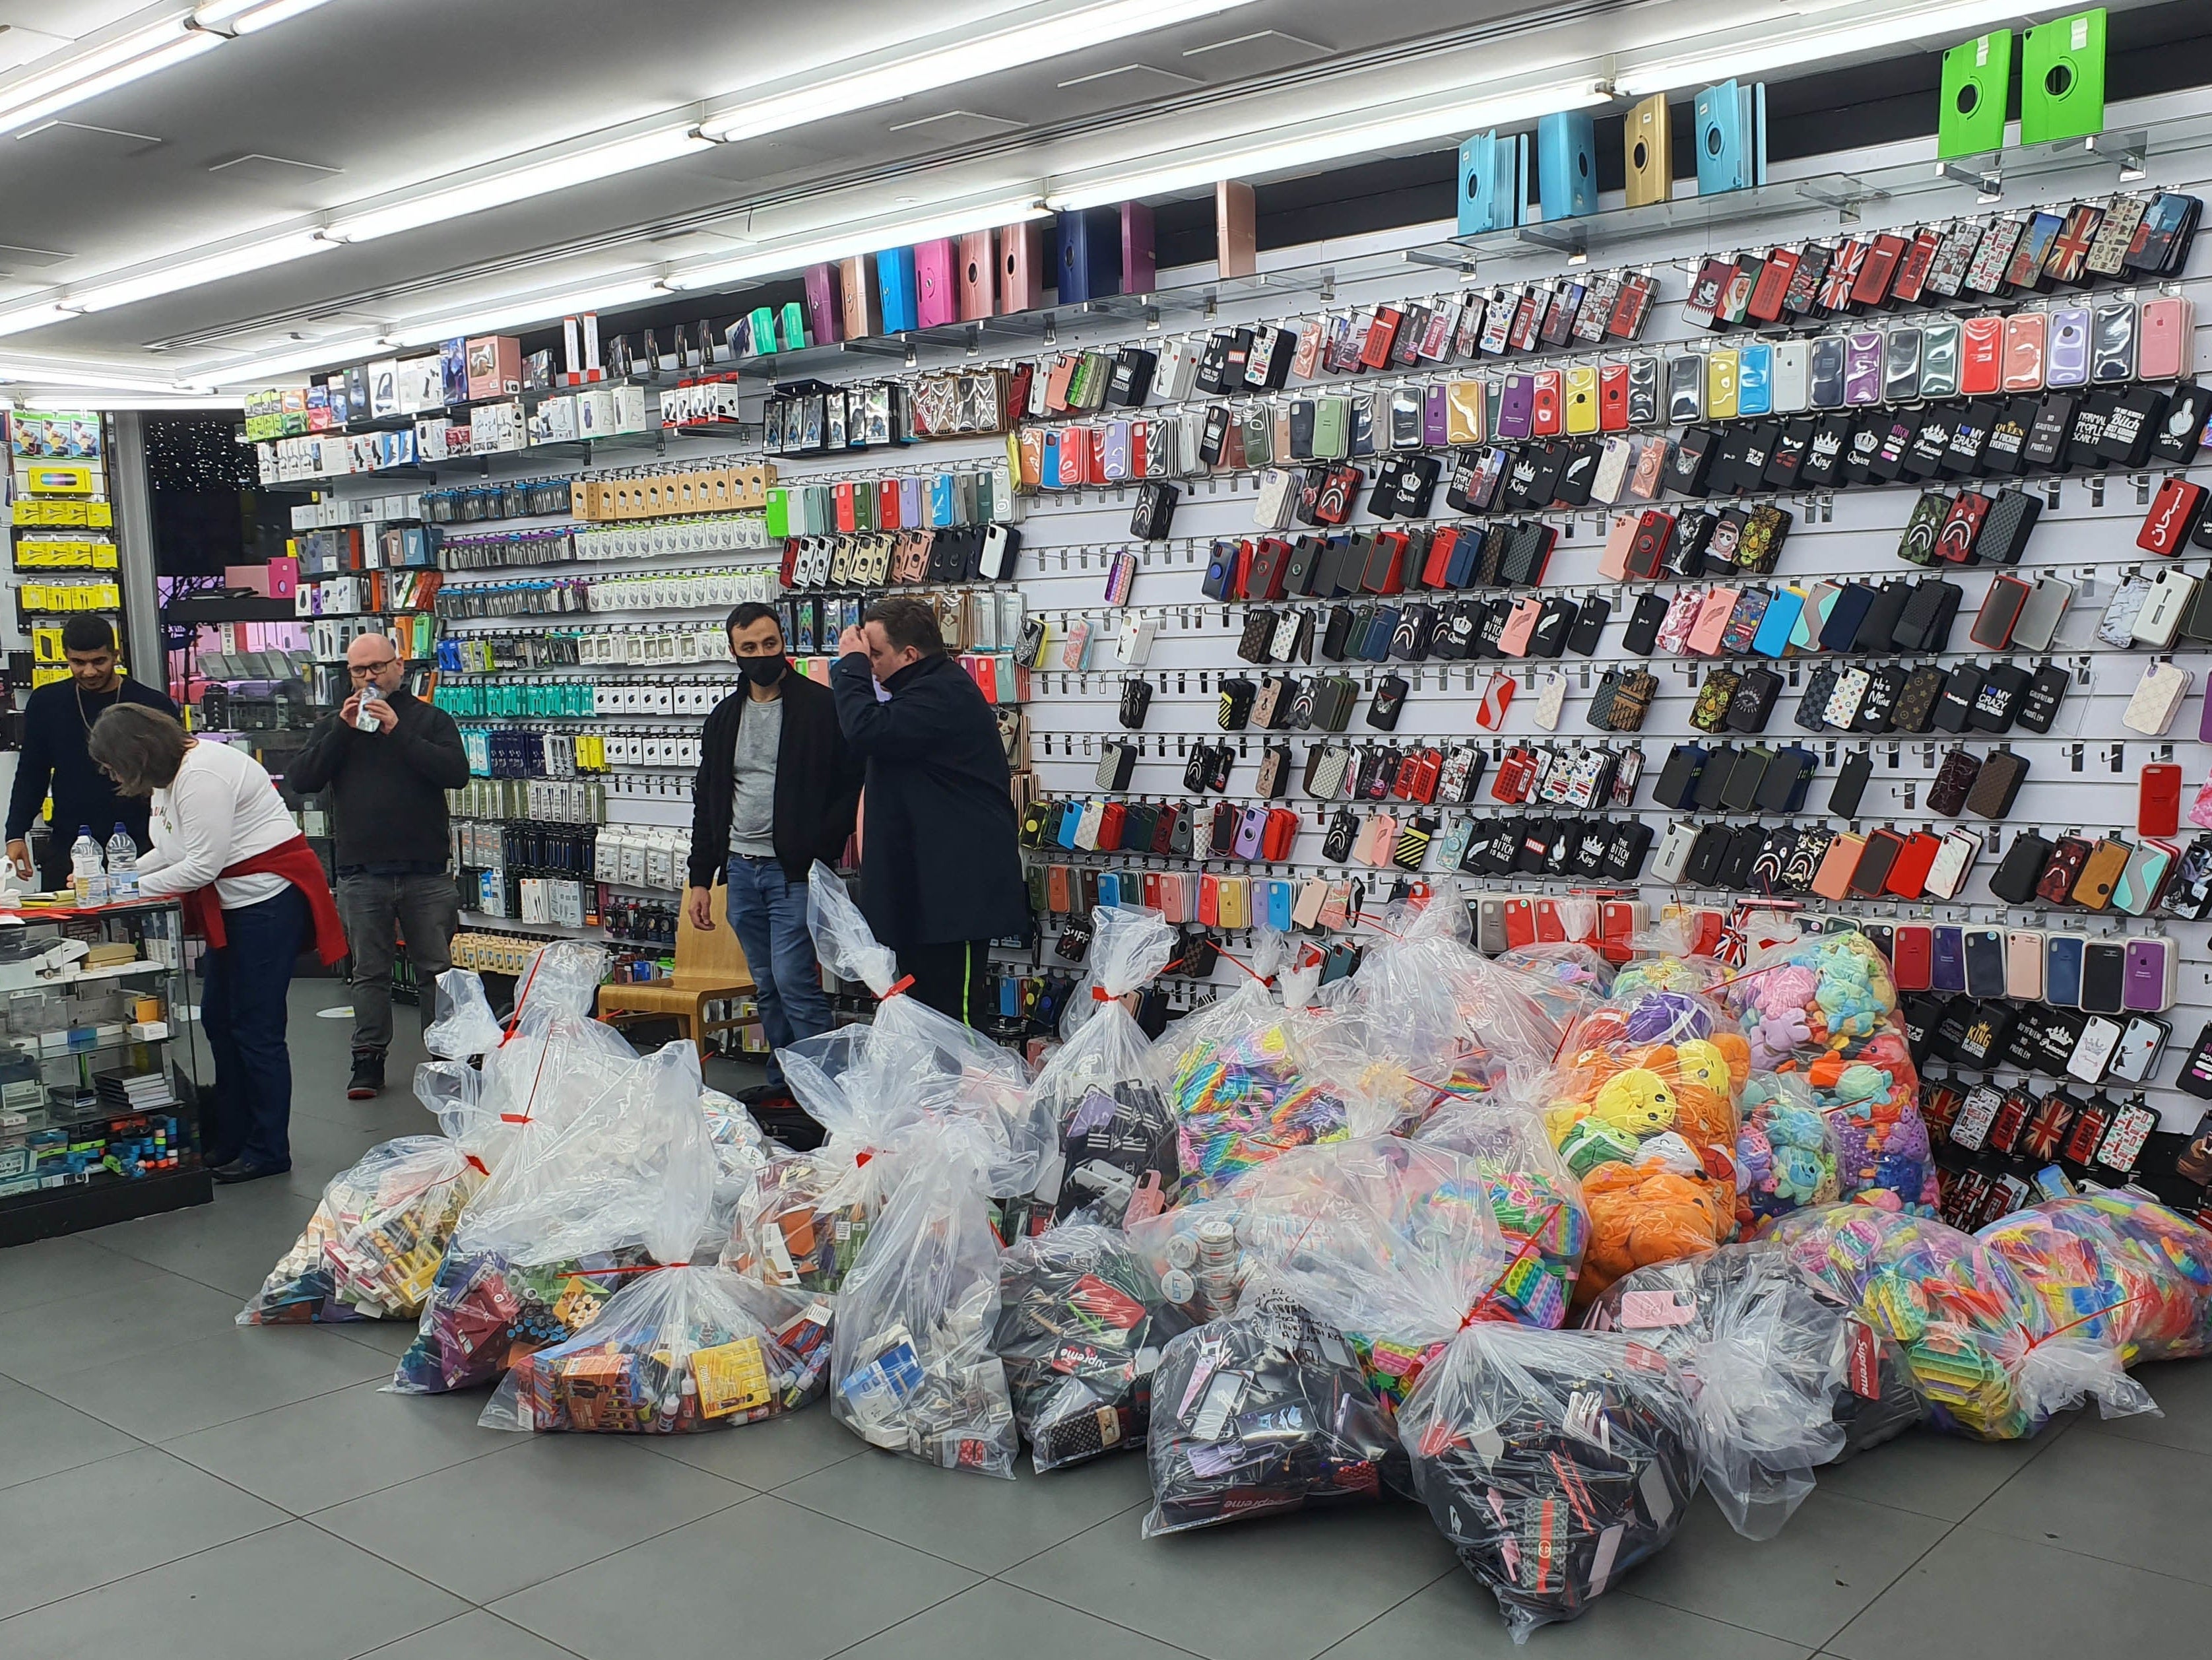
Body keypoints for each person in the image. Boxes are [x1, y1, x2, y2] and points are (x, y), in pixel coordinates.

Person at [87, 706, 346, 1183]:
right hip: (237, 905)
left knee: (256, 1027)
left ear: (137, 754)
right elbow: (169, 852)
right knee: (220, 1019)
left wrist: (123, 890)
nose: (113, 775)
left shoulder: (203, 774)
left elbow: (202, 866)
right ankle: (232, 1136)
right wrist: (109, 878)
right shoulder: (171, 778)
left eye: (113, 764)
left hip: (266, 902)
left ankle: (268, 1148)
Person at [684, 603, 862, 1105]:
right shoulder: (723, 719)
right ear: (734, 653)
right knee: (766, 984)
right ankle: (787, 1081)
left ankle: (824, 1093)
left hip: (794, 872)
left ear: (783, 641)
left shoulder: (820, 707)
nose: (762, 655)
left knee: (793, 981)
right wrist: (702, 877)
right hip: (740, 870)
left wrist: (818, 846)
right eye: (750, 648)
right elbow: (709, 801)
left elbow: (850, 787)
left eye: (769, 644)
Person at [288, 632, 469, 1100]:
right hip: (361, 872)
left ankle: (445, 1059)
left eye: (376, 668)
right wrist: (343, 731)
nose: (368, 678)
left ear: (399, 666)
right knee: (369, 971)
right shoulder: (336, 726)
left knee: (436, 969)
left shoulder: (430, 720)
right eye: (358, 671)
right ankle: (367, 1061)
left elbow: (456, 774)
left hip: (426, 870)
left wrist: (397, 730)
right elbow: (303, 779)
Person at [831, 596, 1027, 1025]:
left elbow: (866, 730)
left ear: (910, 654)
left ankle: (968, 1091)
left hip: (953, 899)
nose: (872, 664)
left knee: (957, 1021)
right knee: (927, 1018)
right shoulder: (922, 694)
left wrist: (850, 667)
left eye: (876, 654)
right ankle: (940, 1093)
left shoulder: (942, 694)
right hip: (928, 896)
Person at [6, 615, 177, 891]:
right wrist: (15, 833)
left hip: (141, 843)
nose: (89, 672)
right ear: (66, 657)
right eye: (78, 663)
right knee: (71, 933)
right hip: (70, 843)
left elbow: (172, 777)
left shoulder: (151, 704)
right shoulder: (47, 702)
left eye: (99, 661)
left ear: (115, 654)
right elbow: (31, 773)